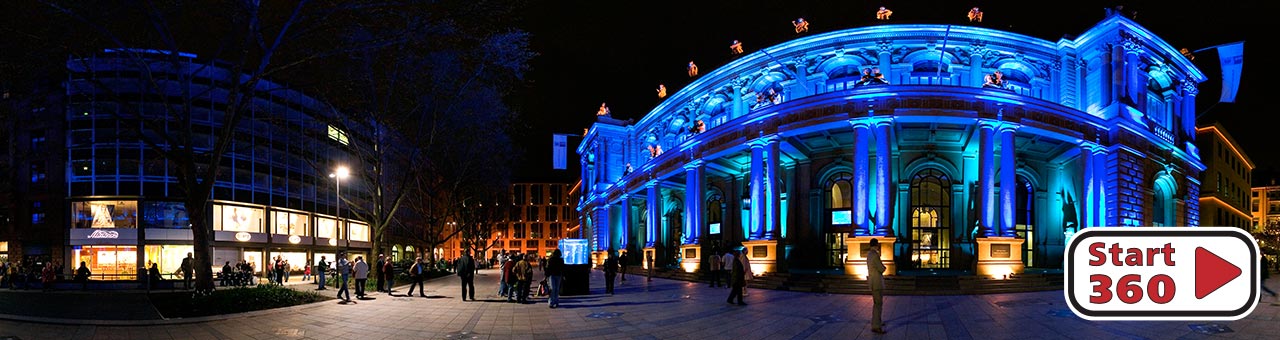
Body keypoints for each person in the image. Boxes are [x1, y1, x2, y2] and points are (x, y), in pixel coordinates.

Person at [868, 238, 887, 334]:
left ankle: (877, 322)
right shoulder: (875, 255)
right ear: (876, 245)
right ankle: (876, 325)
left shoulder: (869, 254)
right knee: (878, 304)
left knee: (876, 303)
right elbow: (881, 268)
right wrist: (885, 267)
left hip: (872, 281)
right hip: (877, 282)